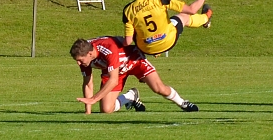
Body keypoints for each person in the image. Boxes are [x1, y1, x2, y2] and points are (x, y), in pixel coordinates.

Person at [70, 36, 198, 114]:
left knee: (159, 88)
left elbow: (113, 80)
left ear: (90, 54)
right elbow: (88, 83)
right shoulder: (84, 56)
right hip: (115, 70)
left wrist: (94, 99)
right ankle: (131, 96)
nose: (78, 63)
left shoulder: (108, 49)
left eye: (80, 60)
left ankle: (183, 103)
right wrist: (88, 111)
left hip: (134, 60)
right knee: (106, 109)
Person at [123, 0, 213, 56]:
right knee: (183, 16)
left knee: (136, 27)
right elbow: (192, 10)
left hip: (146, 49)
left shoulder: (128, 10)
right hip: (167, 42)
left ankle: (156, 51)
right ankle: (206, 17)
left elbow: (128, 41)